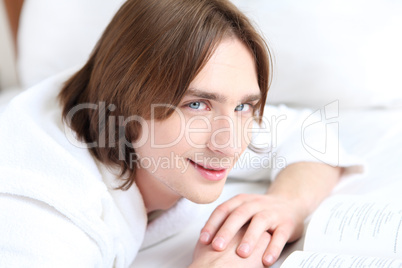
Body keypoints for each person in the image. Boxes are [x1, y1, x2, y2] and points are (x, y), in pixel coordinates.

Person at [0, 0, 355, 267]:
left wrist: (286, 204)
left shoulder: (170, 129)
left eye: (244, 106)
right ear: (125, 103)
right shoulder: (43, 213)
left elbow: (311, 134)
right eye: (197, 105)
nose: (229, 144)